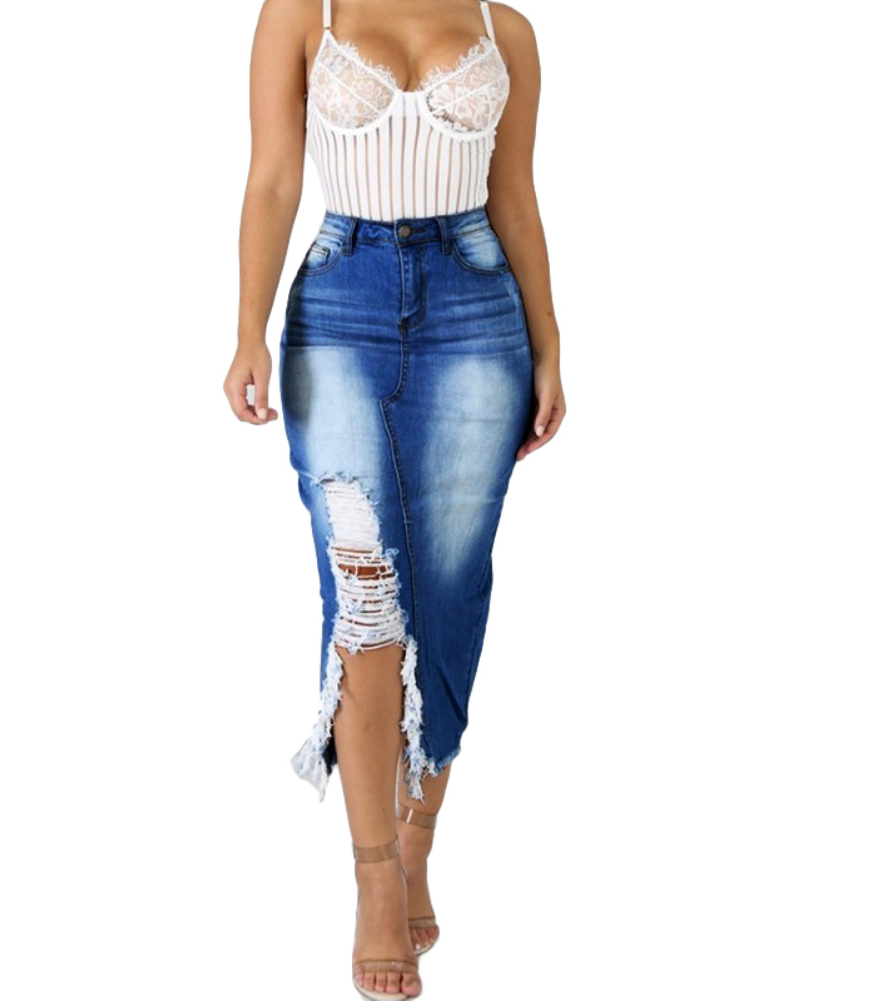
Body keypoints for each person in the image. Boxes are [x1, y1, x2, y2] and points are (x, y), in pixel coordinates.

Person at [224, 1, 565, 996]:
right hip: (341, 307)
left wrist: (550, 346)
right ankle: (375, 876)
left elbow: (515, 196)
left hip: (476, 310)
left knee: (450, 595)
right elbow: (272, 176)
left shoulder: (504, 29)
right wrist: (246, 330)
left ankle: (418, 837)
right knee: (364, 593)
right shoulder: (304, 12)